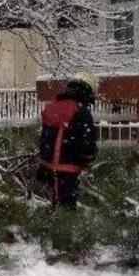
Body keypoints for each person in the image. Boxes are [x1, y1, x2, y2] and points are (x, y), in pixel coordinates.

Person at [37, 73, 98, 210]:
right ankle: (64, 222)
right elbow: (87, 141)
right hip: (67, 167)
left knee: (55, 202)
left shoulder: (53, 106)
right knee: (66, 207)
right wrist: (88, 159)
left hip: (47, 166)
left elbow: (46, 135)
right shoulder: (80, 111)